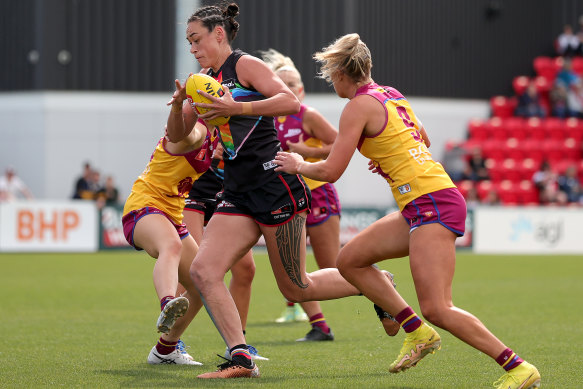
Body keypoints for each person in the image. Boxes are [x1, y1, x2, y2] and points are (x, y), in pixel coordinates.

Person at [274, 33, 541, 389]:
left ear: (341, 74)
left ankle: (518, 367)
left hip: (431, 202)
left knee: (438, 308)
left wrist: (297, 163)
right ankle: (416, 332)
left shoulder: (357, 106)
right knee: (350, 260)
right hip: (425, 199)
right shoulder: (391, 93)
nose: (330, 82)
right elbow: (423, 139)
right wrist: (386, 155)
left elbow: (330, 171)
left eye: (329, 75)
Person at [168, 3, 388, 379]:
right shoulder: (202, 80)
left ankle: (378, 283)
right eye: (188, 42)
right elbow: (176, 141)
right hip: (237, 192)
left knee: (298, 286)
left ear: (218, 34)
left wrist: (234, 108)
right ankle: (241, 358)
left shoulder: (244, 65)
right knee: (204, 271)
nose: (192, 48)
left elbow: (290, 102)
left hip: (275, 187)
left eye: (196, 39)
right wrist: (178, 106)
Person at [122, 119, 218, 366]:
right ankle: (167, 302)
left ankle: (165, 351)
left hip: (173, 214)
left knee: (201, 284)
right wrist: (177, 109)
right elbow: (182, 134)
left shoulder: (217, 132)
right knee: (171, 246)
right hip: (144, 206)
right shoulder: (196, 129)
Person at [260, 48, 341, 341]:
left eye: (293, 84)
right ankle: (319, 326)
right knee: (293, 268)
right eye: (283, 84)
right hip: (284, 198)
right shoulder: (264, 118)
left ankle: (385, 299)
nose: (289, 88)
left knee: (334, 265)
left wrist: (309, 152)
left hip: (318, 194)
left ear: (301, 90)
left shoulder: (308, 116)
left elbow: (340, 144)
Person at [182, 147, 268, 360]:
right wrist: (207, 145)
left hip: (227, 195)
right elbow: (178, 136)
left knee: (246, 269)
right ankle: (169, 344)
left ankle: (237, 345)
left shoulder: (245, 119)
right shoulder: (200, 117)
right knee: (191, 270)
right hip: (194, 193)